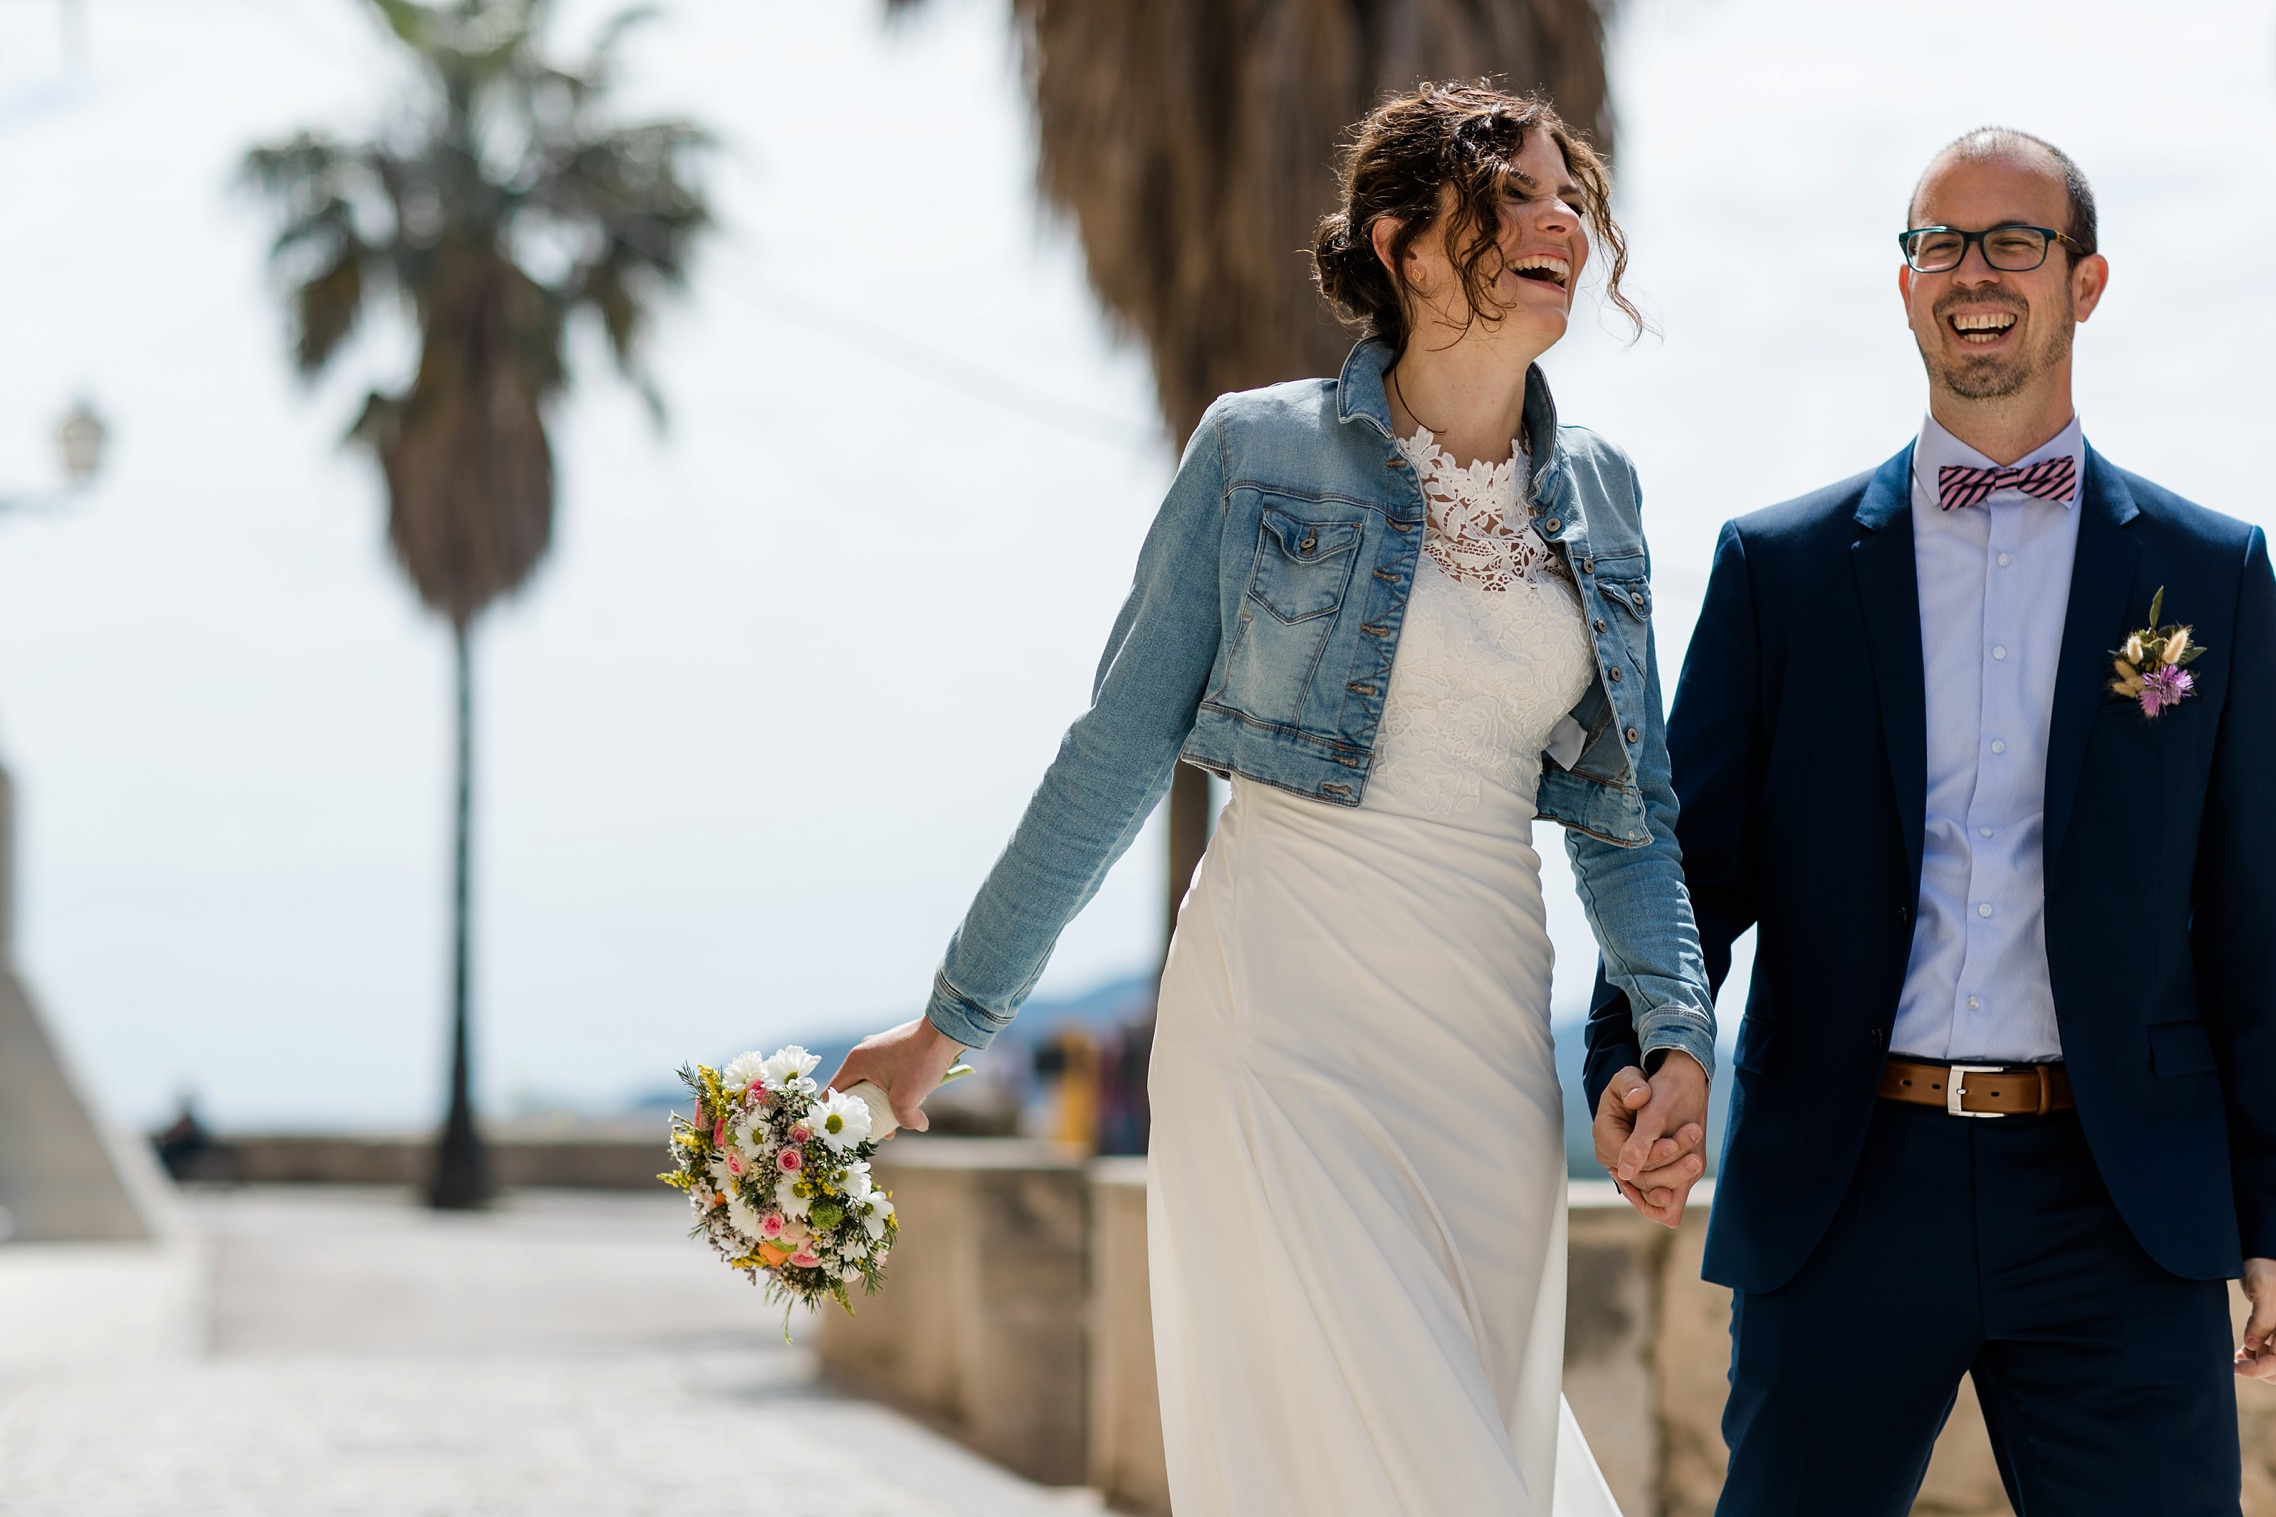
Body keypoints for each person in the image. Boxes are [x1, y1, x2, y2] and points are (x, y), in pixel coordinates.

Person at [829, 82, 1715, 1515]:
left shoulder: (1600, 492)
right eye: (1519, 195)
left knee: (1463, 1447)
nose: (1564, 220)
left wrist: (1677, 1035)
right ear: (1410, 249)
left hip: (1488, 1052)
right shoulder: (1258, 451)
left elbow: (1628, 815)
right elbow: (1115, 748)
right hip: (1280, 1035)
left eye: (1573, 196)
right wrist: (952, 1024)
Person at [1587, 126, 2276, 1516]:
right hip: (1846, 1185)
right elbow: (1686, 866)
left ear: (2084, 283)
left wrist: (2269, 1207)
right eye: (1940, 244)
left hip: (2120, 1199)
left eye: (2015, 241)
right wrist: (1646, 1049)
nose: (1976, 273)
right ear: (1904, 285)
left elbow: (2254, 915)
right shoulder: (1777, 569)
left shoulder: (2212, 572)